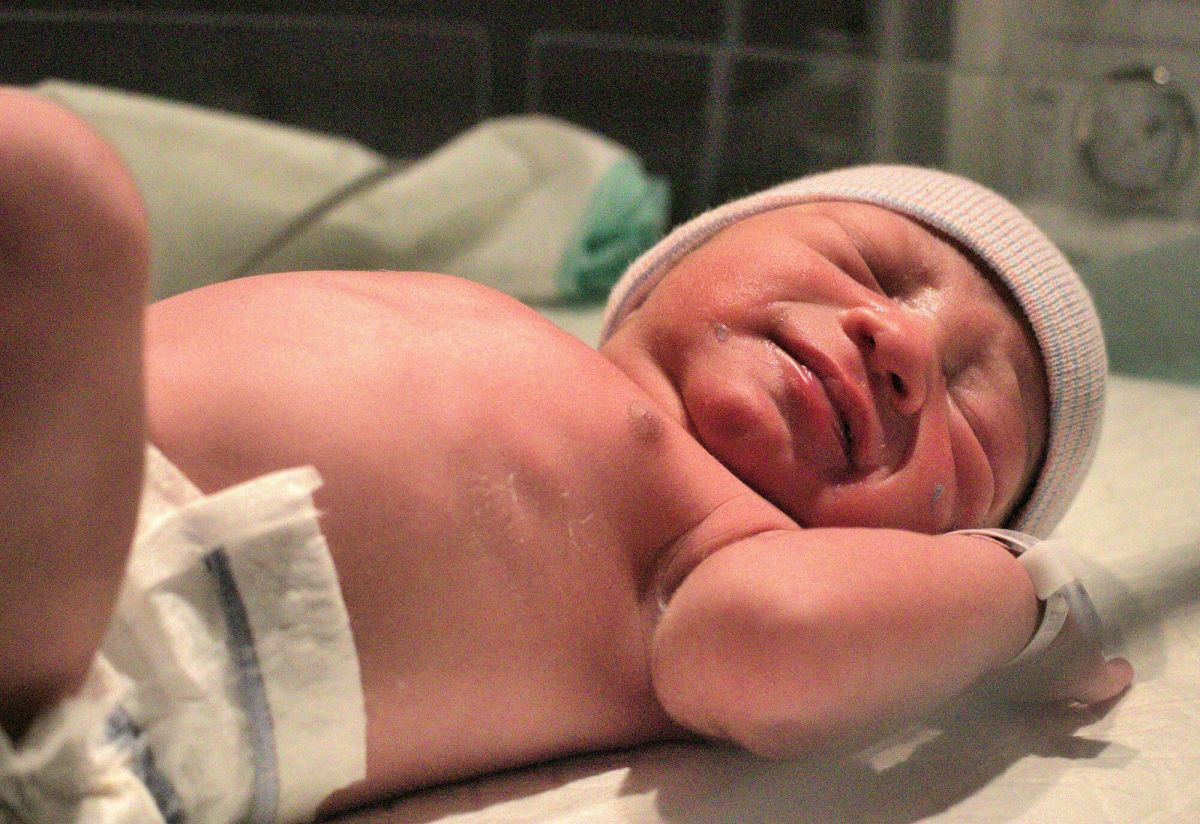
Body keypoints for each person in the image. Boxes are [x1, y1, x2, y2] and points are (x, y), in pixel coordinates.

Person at [0, 89, 1133, 824]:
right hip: (48, 469)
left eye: (970, 423)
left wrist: (1021, 596)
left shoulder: (719, 546)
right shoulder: (528, 341)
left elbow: (780, 649)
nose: (903, 348)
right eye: (875, 270)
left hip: (89, 663)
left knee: (47, 184)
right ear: (681, 256)